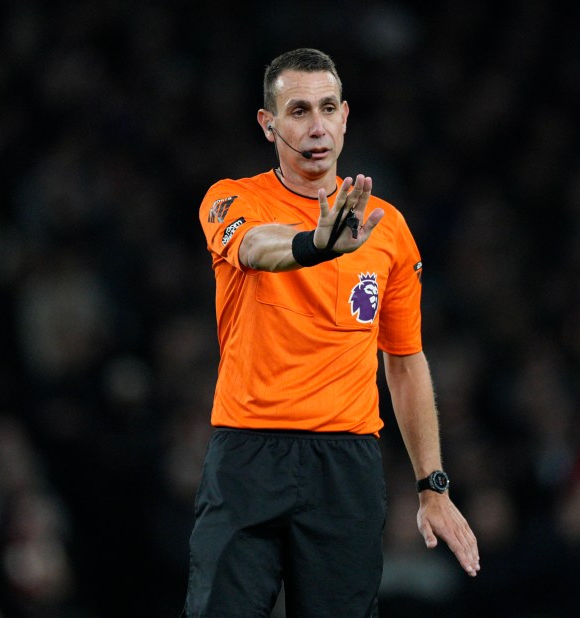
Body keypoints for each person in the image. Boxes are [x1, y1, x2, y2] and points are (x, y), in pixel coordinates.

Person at [184, 47, 479, 618]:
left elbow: (405, 360)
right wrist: (313, 246)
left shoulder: (386, 228)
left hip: (347, 466)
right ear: (269, 125)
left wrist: (433, 486)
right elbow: (254, 248)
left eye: (326, 109)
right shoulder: (231, 199)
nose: (315, 127)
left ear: (345, 116)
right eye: (297, 111)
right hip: (248, 456)